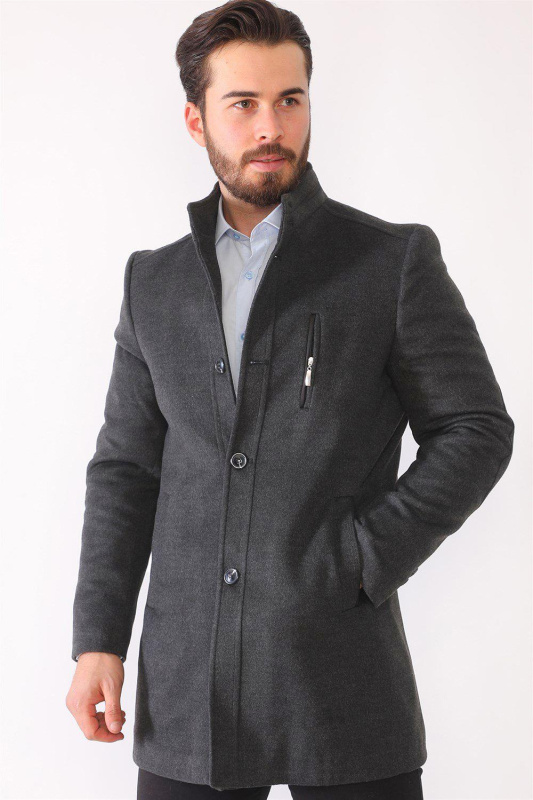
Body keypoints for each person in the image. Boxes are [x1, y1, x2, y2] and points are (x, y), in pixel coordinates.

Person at [66, 1, 514, 798]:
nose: (270, 126)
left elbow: (474, 427)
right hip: (188, 688)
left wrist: (363, 557)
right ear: (196, 120)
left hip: (339, 678)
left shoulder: (389, 263)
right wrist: (98, 639)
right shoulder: (153, 284)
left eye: (289, 100)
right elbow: (127, 468)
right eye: (242, 103)